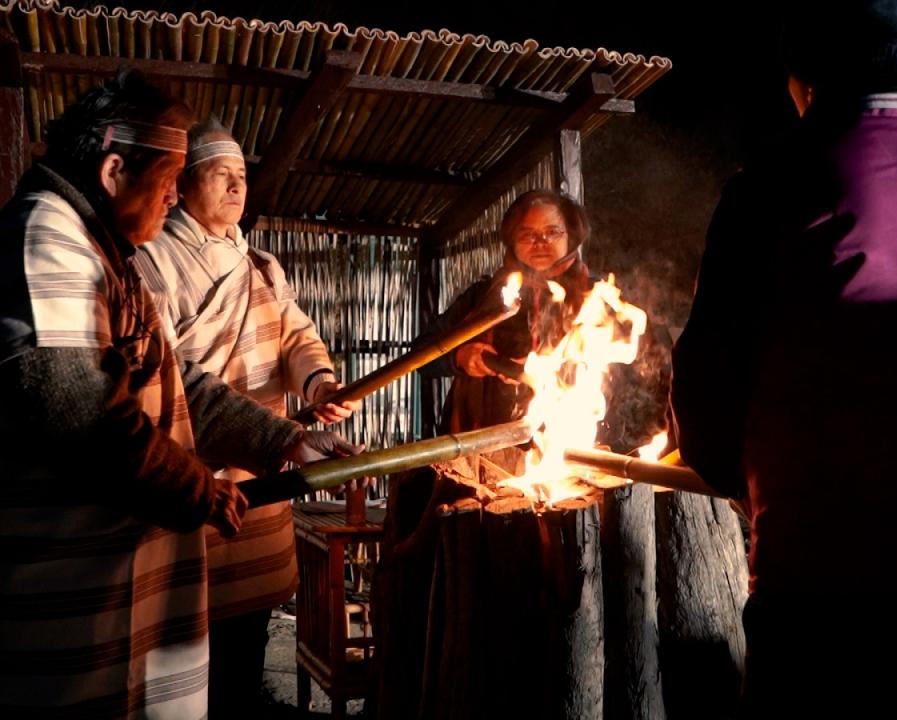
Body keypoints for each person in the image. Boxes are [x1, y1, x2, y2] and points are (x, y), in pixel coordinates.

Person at [0, 71, 359, 718]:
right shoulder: (49, 241)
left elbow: (174, 379)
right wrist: (200, 486)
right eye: (169, 181)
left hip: (132, 562)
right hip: (71, 596)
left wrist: (284, 437)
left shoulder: (102, 248)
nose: (170, 199)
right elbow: (81, 415)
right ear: (114, 171)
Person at [670, 1, 897, 716]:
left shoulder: (766, 187)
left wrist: (757, 489)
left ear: (805, 84)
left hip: (817, 581)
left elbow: (706, 402)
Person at [133, 116, 359, 717]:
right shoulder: (151, 260)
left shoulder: (261, 265)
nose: (237, 187)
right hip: (189, 470)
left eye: (241, 176)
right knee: (181, 637)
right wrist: (278, 435)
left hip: (265, 475)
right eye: (220, 174)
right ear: (181, 186)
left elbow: (294, 333)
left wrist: (320, 382)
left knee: (248, 634)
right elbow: (165, 375)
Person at [419, 189, 594, 434]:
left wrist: (546, 369)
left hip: (566, 447)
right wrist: (459, 357)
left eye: (552, 232)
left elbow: (626, 377)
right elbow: (421, 355)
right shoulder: (484, 295)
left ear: (572, 236)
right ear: (511, 240)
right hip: (478, 446)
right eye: (527, 234)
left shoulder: (598, 299)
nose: (540, 243)